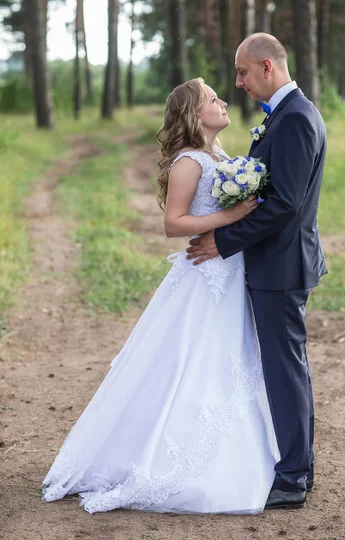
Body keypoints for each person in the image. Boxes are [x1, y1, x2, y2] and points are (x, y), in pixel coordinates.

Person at [41, 78, 280, 514]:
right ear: (194, 113)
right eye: (212, 99)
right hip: (204, 275)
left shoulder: (219, 155)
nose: (223, 101)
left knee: (227, 357)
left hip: (228, 271)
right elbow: (174, 223)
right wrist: (230, 215)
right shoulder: (189, 161)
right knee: (192, 358)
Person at [187, 33, 328, 510]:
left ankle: (292, 477)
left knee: (285, 369)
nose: (238, 82)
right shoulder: (284, 118)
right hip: (276, 262)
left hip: (282, 265)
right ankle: (296, 466)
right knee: (285, 367)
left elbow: (285, 205)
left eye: (243, 73)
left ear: (267, 67)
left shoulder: (294, 121)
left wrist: (222, 240)